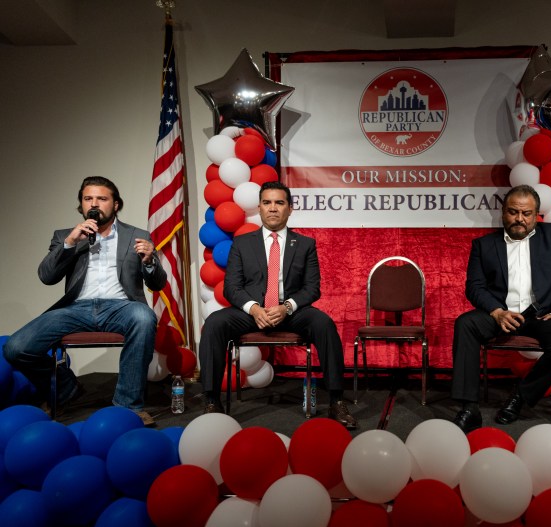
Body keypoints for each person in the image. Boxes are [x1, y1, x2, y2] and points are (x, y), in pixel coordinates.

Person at [3, 176, 166, 426]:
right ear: (81, 205)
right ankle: (65, 387)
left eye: (102, 198)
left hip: (121, 307)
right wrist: (70, 243)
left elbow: (157, 284)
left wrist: (149, 261)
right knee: (16, 347)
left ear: (116, 204)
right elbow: (47, 277)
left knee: (143, 317)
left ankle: (128, 407)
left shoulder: (137, 235)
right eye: (88, 198)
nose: (94, 204)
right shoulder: (65, 236)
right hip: (76, 308)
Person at [199, 181, 356, 428]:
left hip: (292, 311)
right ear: (260, 208)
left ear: (290, 209)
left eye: (279, 203)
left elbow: (312, 288)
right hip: (252, 312)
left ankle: (336, 401)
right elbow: (232, 287)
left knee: (324, 324)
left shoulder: (305, 244)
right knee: (214, 323)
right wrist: (254, 308)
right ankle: (211, 401)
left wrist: (287, 307)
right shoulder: (242, 243)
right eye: (267, 202)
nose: (273, 208)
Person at [451, 184, 551, 432]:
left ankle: (520, 396)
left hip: (543, 314)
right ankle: (469, 408)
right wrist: (497, 312)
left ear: (536, 214)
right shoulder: (484, 245)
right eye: (513, 212)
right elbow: (474, 287)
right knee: (466, 324)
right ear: (503, 212)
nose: (519, 219)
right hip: (501, 313)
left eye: (526, 213)